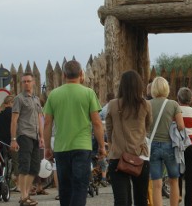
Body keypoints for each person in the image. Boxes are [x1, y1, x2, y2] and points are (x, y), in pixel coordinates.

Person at [43, 60, 106, 206]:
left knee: (65, 188)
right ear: (81, 74)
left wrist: (47, 147)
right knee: (80, 186)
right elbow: (97, 123)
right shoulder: (89, 93)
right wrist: (102, 146)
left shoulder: (54, 94)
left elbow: (47, 123)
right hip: (82, 146)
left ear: (64, 75)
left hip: (61, 147)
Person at [106, 70, 151, 206]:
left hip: (118, 157)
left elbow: (109, 130)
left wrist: (113, 143)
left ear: (122, 86)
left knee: (121, 200)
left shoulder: (113, 104)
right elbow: (148, 126)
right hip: (140, 156)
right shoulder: (145, 105)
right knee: (141, 199)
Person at [148, 77, 184, 206]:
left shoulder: (147, 104)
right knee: (173, 180)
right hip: (169, 145)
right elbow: (181, 125)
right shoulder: (173, 104)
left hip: (152, 146)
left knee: (156, 182)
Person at [11, 72, 44, 206]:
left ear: (33, 82)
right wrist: (13, 138)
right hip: (24, 135)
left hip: (35, 135)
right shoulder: (19, 99)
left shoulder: (36, 99)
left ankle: (27, 193)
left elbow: (39, 118)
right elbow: (14, 120)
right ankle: (23, 196)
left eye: (28, 81)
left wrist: (41, 136)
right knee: (25, 166)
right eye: (24, 81)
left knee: (34, 168)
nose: (26, 84)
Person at [177, 88, 192, 206]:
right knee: (191, 177)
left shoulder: (176, 110)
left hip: (179, 144)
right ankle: (189, 203)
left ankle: (177, 195)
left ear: (178, 98)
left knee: (177, 173)